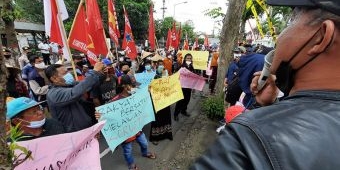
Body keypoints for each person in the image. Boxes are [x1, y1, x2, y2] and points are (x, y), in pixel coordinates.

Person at [191, 0, 340, 169]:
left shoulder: (249, 140)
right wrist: (262, 106)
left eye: (292, 20)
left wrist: (258, 118)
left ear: (322, 37)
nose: (280, 36)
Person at [111, 75, 156, 170]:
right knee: (128, 150)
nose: (134, 87)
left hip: (137, 128)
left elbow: (144, 102)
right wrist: (99, 114)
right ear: (124, 86)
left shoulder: (136, 95)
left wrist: (147, 93)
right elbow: (107, 112)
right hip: (125, 132)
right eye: (132, 85)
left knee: (144, 143)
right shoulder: (115, 101)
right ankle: (131, 164)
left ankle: (145, 152)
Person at [45, 62, 105, 132]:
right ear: (54, 79)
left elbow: (90, 85)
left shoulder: (70, 85)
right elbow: (74, 92)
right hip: (73, 134)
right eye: (65, 73)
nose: (69, 74)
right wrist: (94, 72)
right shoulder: (54, 94)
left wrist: (101, 73)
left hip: (85, 129)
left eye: (68, 72)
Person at [149, 61, 173, 145]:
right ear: (156, 66)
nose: (161, 66)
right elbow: (150, 87)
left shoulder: (166, 74)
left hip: (165, 100)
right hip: (157, 101)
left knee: (166, 117)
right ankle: (155, 137)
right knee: (157, 119)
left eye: (162, 65)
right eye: (159, 65)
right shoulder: (153, 75)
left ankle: (167, 134)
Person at [174, 53, 194, 121]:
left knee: (187, 100)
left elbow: (193, 76)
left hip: (188, 87)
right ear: (185, 59)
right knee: (180, 101)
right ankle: (176, 114)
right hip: (182, 87)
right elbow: (176, 74)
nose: (189, 59)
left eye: (190, 58)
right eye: (188, 58)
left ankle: (183, 111)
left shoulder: (191, 67)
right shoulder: (182, 66)